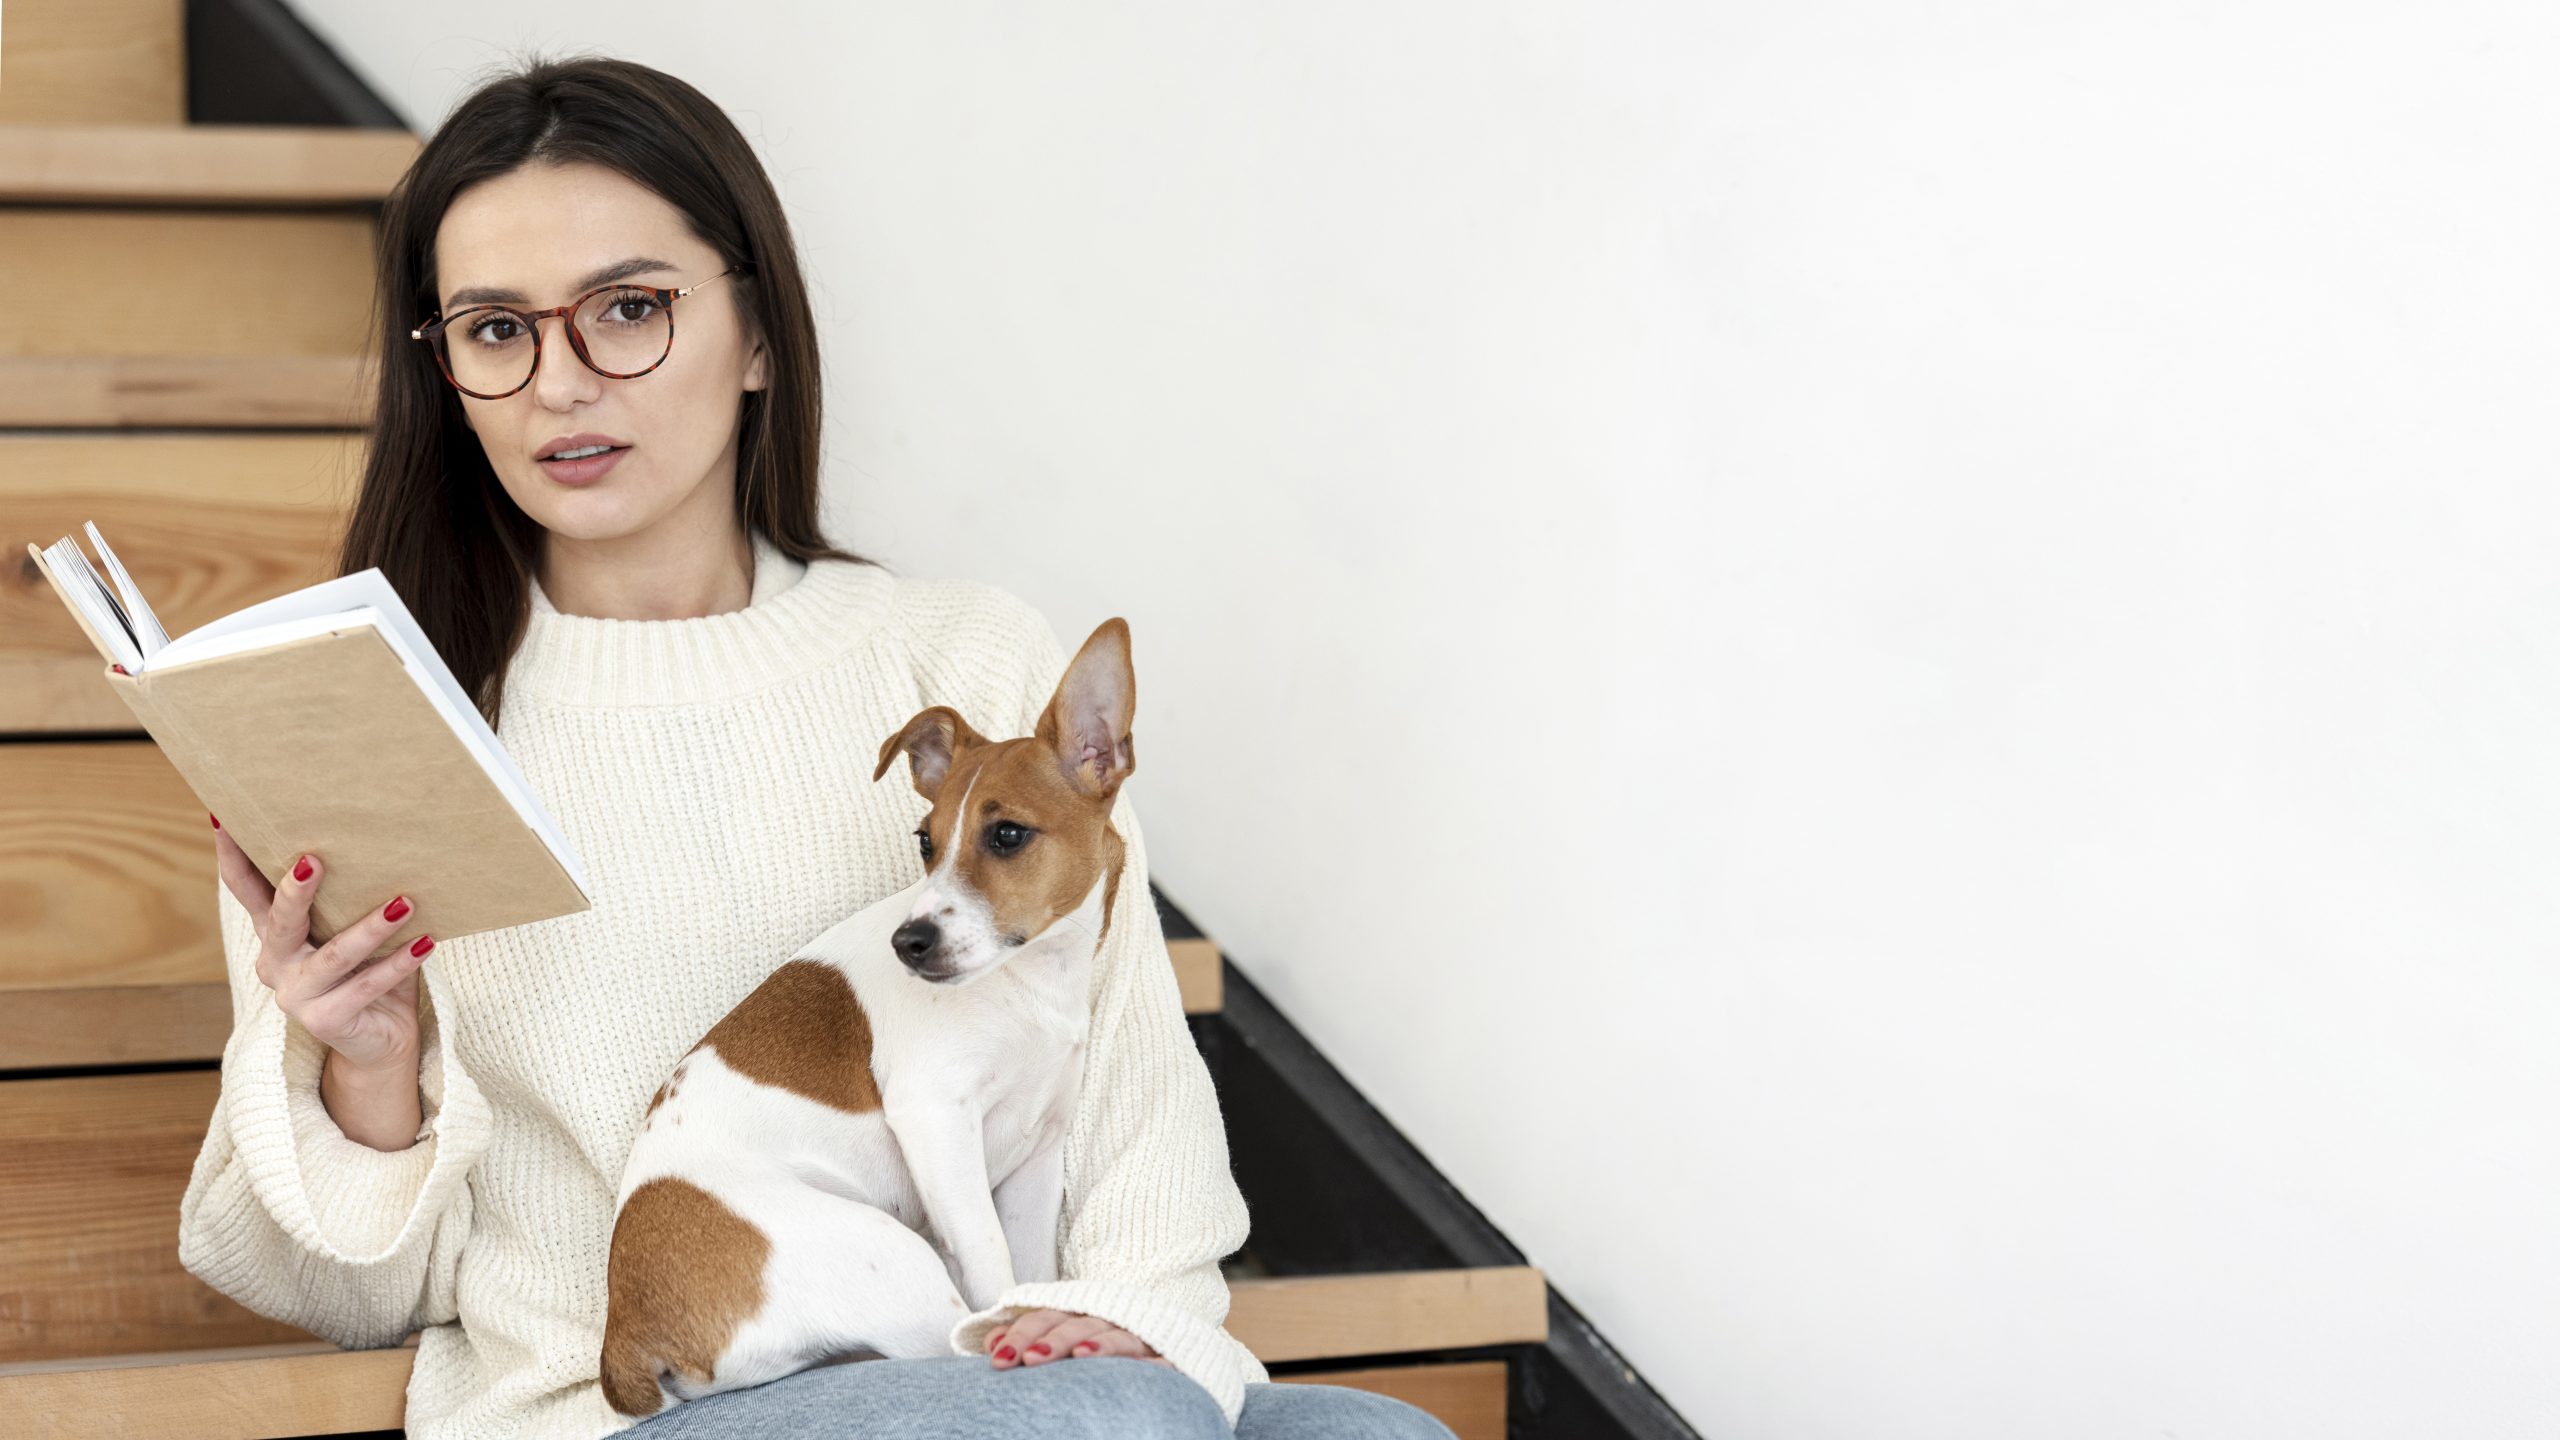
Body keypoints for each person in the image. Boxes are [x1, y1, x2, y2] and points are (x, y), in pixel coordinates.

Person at [176, 52, 1456, 1440]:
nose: (560, 382)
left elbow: (1130, 1107)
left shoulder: (964, 666)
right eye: (496, 330)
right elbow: (342, 1295)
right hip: (631, 1414)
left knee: (1368, 1436)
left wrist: (1136, 1341)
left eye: (630, 309)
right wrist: (366, 1067)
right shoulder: (385, 723)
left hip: (1011, 1381)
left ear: (761, 336)